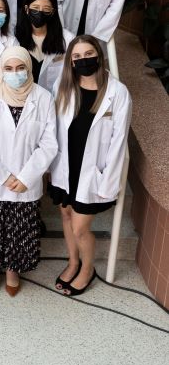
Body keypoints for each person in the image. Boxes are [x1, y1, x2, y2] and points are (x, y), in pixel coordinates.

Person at [0, 46, 57, 296]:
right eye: (8, 68)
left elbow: (49, 144)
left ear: (29, 68)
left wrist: (26, 176)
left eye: (20, 68)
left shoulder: (44, 98)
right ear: (1, 71)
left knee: (19, 227)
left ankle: (14, 269)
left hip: (26, 181)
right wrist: (4, 176)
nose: (15, 73)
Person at [50, 35, 131, 296]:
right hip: (66, 167)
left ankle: (87, 268)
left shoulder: (117, 93)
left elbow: (119, 142)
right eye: (77, 57)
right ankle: (73, 262)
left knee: (80, 226)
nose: (83, 61)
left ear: (99, 55)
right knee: (65, 215)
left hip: (93, 172)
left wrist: (109, 180)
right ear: (70, 62)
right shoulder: (63, 88)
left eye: (88, 55)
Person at [15, 0, 73, 93]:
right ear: (27, 9)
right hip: (22, 96)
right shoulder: (15, 37)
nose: (40, 13)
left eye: (46, 9)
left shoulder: (67, 39)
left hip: (54, 97)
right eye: (35, 8)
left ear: (53, 12)